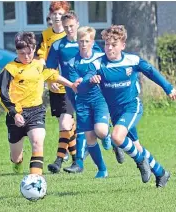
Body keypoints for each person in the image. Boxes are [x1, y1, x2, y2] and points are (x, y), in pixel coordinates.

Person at [86, 25, 175, 186]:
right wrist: (90, 79)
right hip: (115, 113)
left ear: (122, 45)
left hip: (132, 107)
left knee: (117, 136)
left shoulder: (132, 60)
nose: (109, 48)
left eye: (113, 44)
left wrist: (168, 87)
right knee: (135, 145)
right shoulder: (98, 64)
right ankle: (161, 173)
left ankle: (140, 161)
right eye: (106, 44)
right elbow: (88, 75)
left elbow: (151, 71)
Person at [0, 31, 79, 176]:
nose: (26, 56)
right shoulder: (9, 69)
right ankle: (17, 163)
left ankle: (36, 180)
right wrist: (15, 113)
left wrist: (71, 85)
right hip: (16, 114)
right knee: (16, 157)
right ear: (16, 51)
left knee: (37, 141)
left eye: (29, 53)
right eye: (22, 53)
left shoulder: (38, 65)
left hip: (36, 111)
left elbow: (53, 74)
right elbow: (2, 95)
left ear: (34, 49)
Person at [45, 12, 111, 175]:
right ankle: (77, 162)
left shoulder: (89, 43)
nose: (69, 29)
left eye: (72, 26)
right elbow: (49, 69)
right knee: (75, 125)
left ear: (77, 24)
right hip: (70, 90)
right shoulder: (58, 45)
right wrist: (52, 80)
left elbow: (103, 64)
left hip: (92, 92)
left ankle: (107, 138)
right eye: (66, 26)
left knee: (94, 129)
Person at [37, 1, 80, 171]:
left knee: (65, 124)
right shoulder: (46, 35)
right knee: (68, 125)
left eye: (60, 14)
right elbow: (44, 62)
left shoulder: (73, 37)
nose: (57, 16)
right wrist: (49, 81)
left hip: (71, 88)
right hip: (56, 87)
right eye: (54, 13)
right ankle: (77, 159)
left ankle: (59, 160)